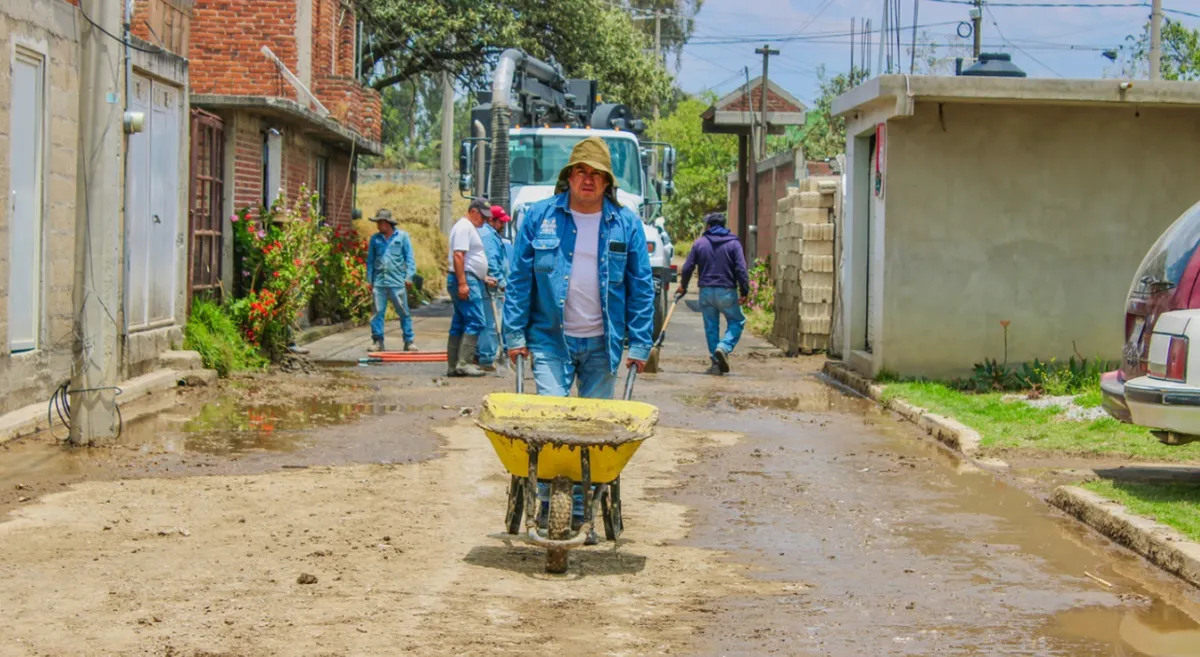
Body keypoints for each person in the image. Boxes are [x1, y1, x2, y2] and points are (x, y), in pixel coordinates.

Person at [504, 136, 655, 399]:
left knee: (594, 428)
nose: (589, 179)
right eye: (581, 171)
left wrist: (641, 343)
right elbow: (519, 281)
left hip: (602, 345)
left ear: (607, 181)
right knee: (552, 421)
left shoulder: (626, 224)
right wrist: (515, 335)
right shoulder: (539, 217)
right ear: (569, 176)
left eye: (597, 173)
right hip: (549, 340)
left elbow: (641, 287)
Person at [676, 211, 749, 375]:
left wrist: (683, 286)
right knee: (737, 321)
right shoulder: (733, 243)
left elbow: (688, 267)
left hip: (706, 292)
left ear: (708, 226)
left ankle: (716, 361)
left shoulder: (700, 243)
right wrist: (744, 291)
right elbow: (741, 269)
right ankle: (723, 347)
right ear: (724, 226)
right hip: (726, 291)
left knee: (711, 326)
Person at [446, 199, 493, 377]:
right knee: (476, 321)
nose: (485, 220)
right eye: (482, 216)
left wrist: (483, 276)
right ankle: (464, 363)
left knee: (459, 322)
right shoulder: (464, 227)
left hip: (469, 278)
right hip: (465, 279)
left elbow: (470, 258)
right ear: (473, 211)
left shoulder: (466, 227)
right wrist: (463, 283)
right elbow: (459, 255)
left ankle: (453, 365)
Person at [365, 209, 416, 352]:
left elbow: (409, 258)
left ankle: (409, 340)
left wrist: (409, 276)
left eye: (381, 222)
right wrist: (369, 279)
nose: (379, 225)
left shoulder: (402, 237)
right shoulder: (375, 239)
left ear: (388, 223)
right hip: (379, 281)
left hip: (397, 281)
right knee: (377, 312)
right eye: (377, 222)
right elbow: (370, 261)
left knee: (403, 312)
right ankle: (377, 341)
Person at [476, 205, 511, 371]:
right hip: (492, 287)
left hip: (492, 285)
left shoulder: (491, 235)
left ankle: (484, 354)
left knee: (491, 321)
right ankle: (486, 358)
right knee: (491, 323)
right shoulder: (488, 237)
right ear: (491, 220)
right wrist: (502, 283)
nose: (503, 225)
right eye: (501, 222)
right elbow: (492, 262)